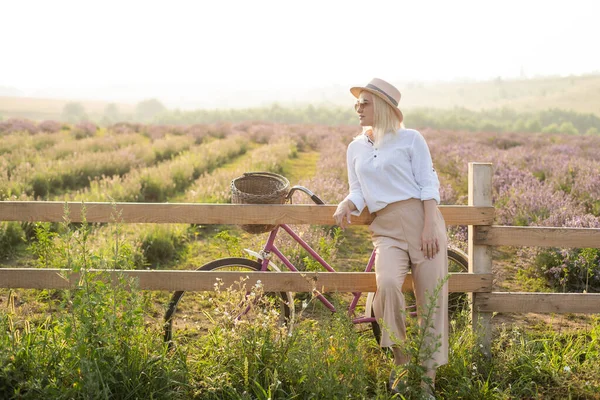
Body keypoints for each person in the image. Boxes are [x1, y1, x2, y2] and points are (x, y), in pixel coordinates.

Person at [333, 78, 448, 396]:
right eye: (357, 103)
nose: (358, 108)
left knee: (431, 303)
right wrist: (347, 201)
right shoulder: (355, 147)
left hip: (423, 224)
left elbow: (428, 185)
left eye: (364, 103)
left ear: (383, 107)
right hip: (386, 230)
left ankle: (427, 382)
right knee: (385, 288)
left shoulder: (411, 139)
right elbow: (359, 190)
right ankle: (401, 359)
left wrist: (428, 226)